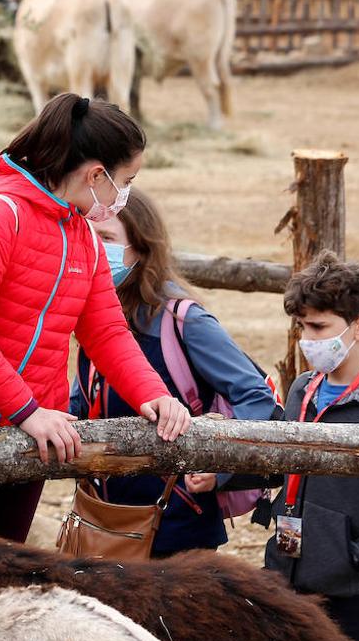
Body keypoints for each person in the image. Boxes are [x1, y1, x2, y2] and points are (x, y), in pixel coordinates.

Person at [0, 93, 191, 543]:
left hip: (35, 438)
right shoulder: (0, 215)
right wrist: (26, 410)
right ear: (96, 174)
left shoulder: (84, 237)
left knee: (2, 573)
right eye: (125, 180)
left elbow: (106, 331)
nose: (124, 195)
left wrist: (154, 394)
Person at [70, 188, 280, 556]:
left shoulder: (184, 321)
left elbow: (255, 396)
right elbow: (83, 402)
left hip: (178, 528)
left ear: (141, 247)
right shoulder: (95, 317)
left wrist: (220, 466)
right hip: (107, 521)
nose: (96, 248)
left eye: (106, 238)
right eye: (88, 235)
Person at [264, 252, 359, 641]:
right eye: (302, 328)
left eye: (320, 328)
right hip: (294, 582)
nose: (308, 340)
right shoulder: (303, 389)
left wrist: (356, 558)